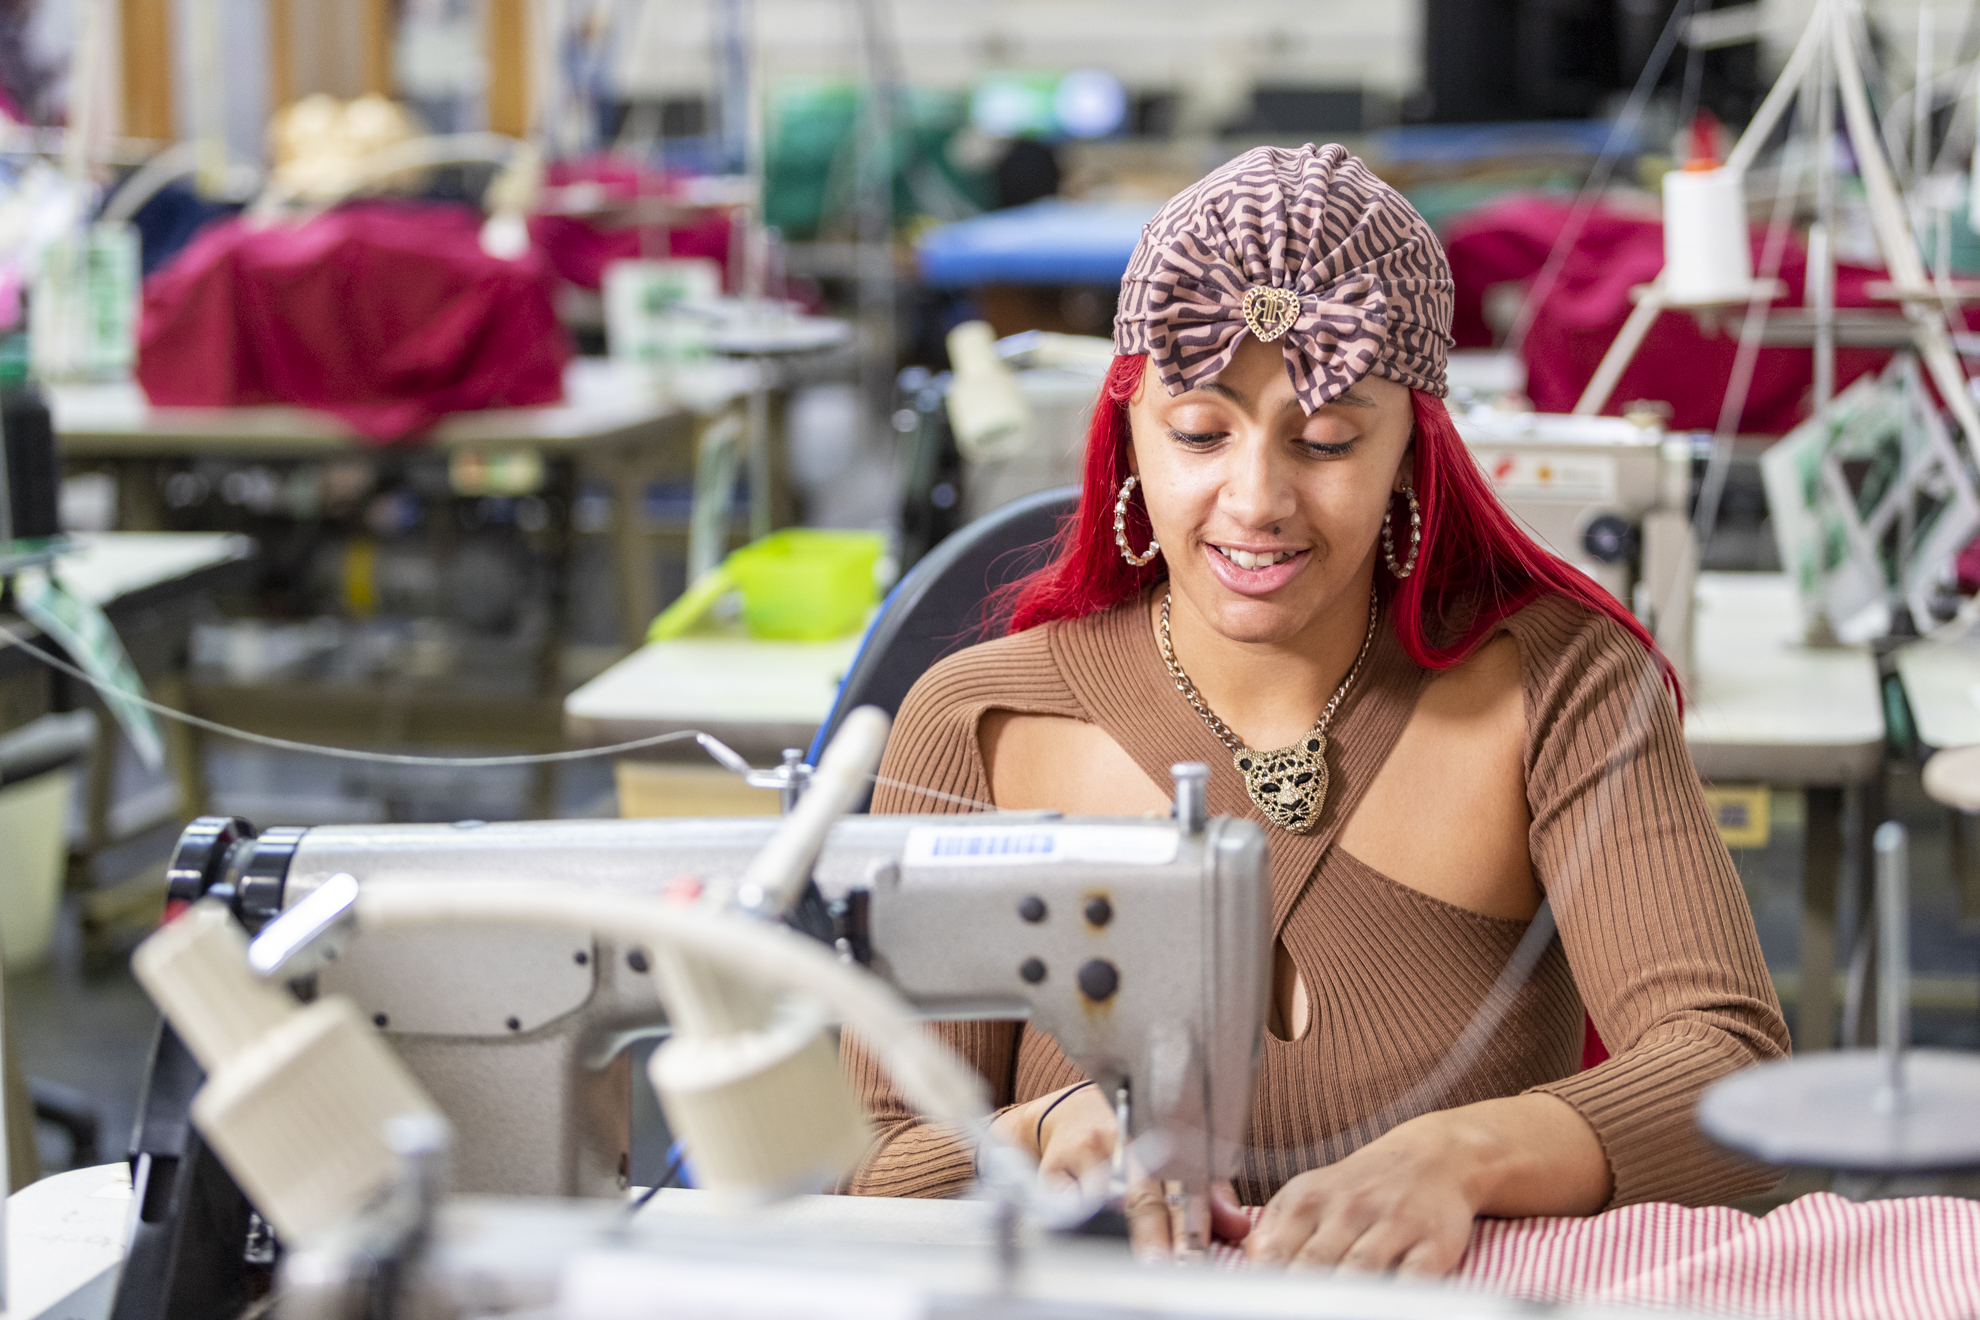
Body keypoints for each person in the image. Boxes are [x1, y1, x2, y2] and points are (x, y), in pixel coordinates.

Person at [841, 143, 1788, 1274]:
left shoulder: (1562, 686)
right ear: (1129, 436)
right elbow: (871, 1168)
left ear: (1409, 452)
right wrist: (1035, 1132)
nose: (1257, 501)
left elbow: (1726, 1069)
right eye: (1199, 432)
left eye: (1329, 439)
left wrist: (1463, 1156)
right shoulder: (979, 726)